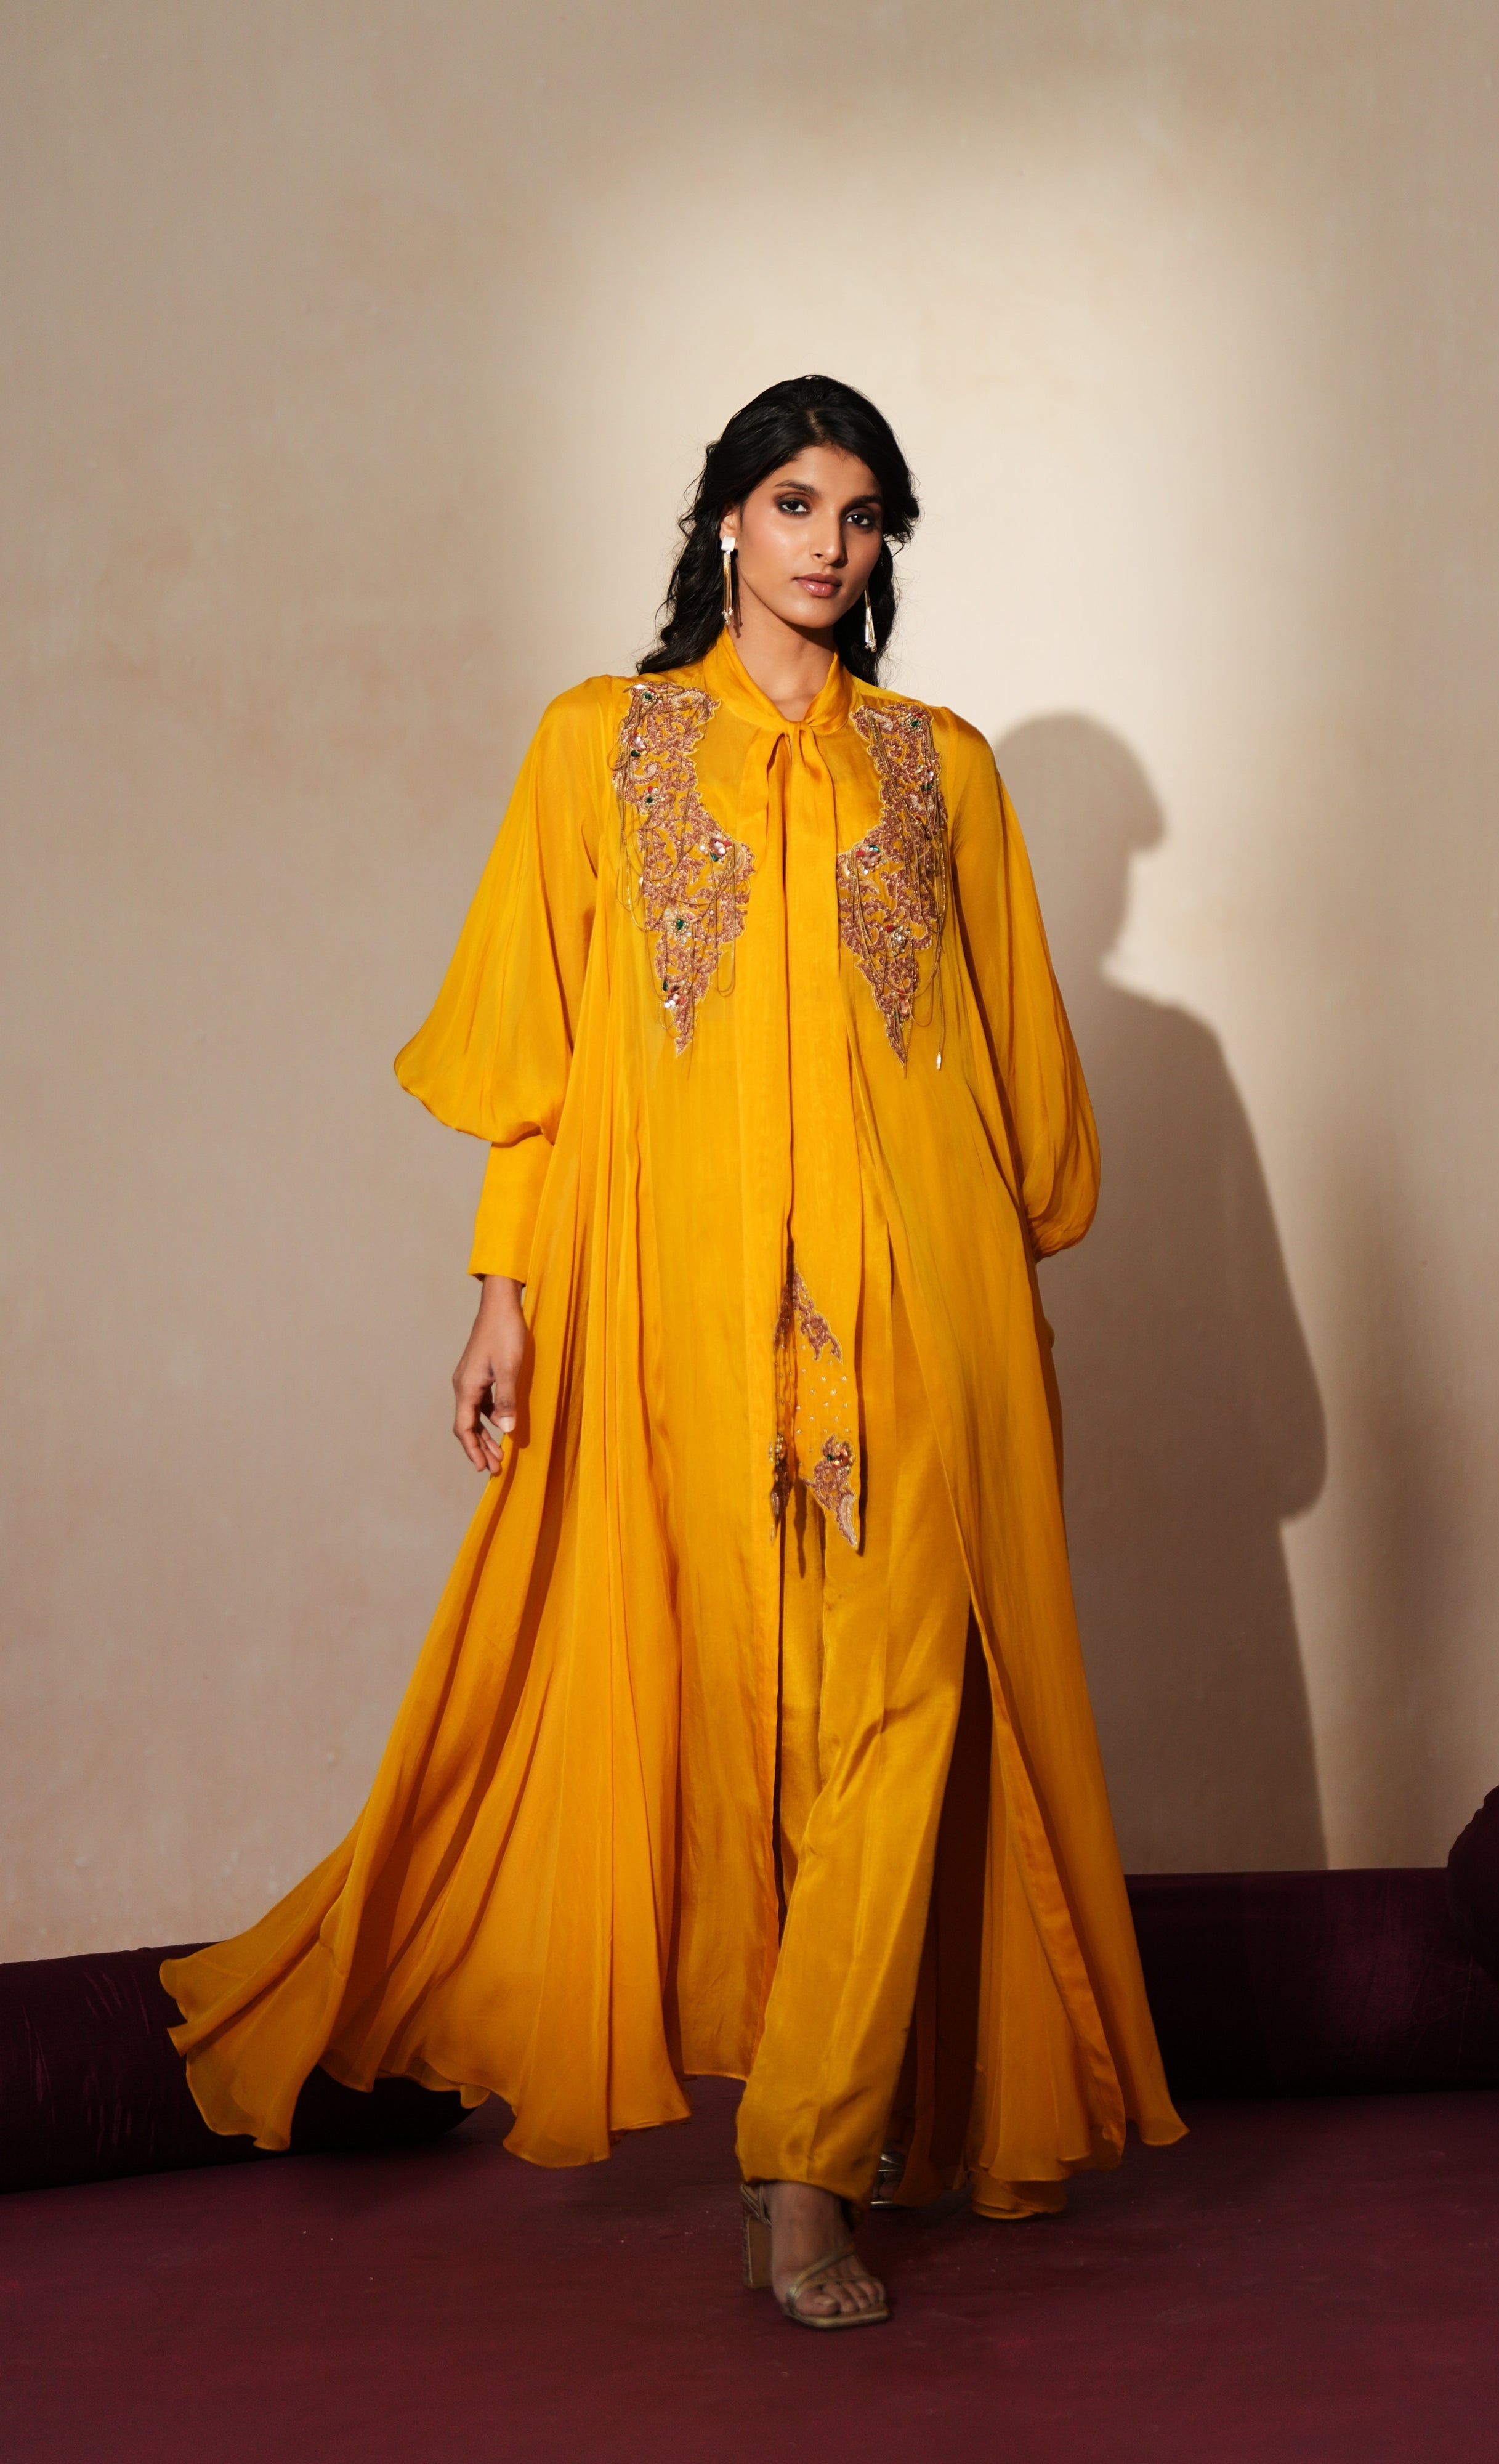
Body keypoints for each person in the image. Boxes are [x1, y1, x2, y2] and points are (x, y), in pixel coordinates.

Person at [162, 374, 1184, 2332]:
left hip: (920, 1319)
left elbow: (1029, 1109)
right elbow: (537, 1059)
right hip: (670, 1316)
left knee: (902, 1724)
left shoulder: (941, 769)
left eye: (864, 514)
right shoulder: (597, 749)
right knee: (731, 1716)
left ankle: (803, 2172)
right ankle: (813, 2108)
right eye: (794, 501)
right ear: (725, 519)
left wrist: (996, 1313)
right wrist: (501, 1289)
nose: (829, 541)